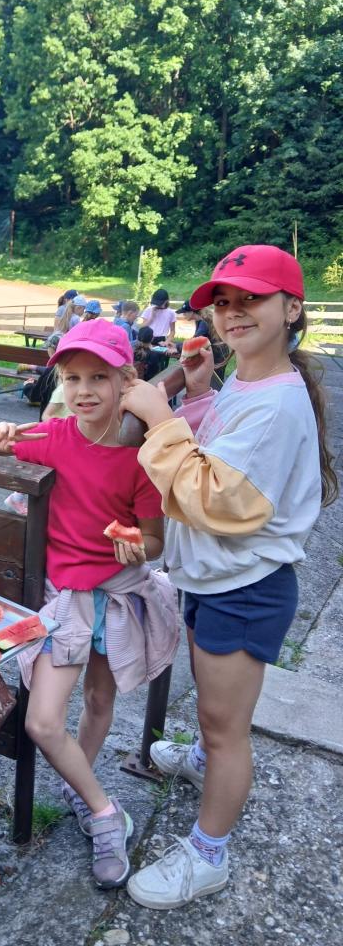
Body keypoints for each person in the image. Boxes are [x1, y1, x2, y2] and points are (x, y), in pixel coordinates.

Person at [120, 245, 338, 910]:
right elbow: (222, 447)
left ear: (291, 309)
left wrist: (160, 418)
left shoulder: (278, 405)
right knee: (216, 713)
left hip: (245, 587)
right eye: (223, 302)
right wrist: (198, 393)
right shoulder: (250, 380)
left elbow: (217, 497)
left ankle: (207, 853)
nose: (233, 311)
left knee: (225, 727)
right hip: (216, 577)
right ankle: (205, 760)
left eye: (251, 298)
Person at [0, 319, 178, 889]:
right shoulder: (55, 436)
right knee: (42, 721)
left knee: (101, 700)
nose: (84, 390)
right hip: (67, 603)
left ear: (127, 381)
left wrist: (136, 547)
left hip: (120, 597)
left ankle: (78, 787)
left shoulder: (143, 458)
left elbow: (155, 541)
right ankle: (106, 813)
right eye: (73, 377)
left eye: (98, 378)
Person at [175, 299, 229, 385]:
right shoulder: (201, 320)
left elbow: (194, 343)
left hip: (217, 356)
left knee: (215, 384)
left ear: (192, 312)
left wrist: (176, 347)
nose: (183, 314)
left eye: (185, 312)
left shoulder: (203, 322)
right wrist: (177, 345)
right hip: (221, 354)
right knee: (217, 383)